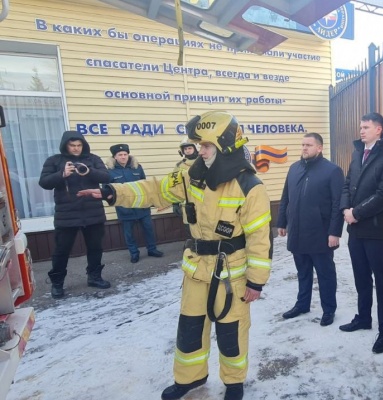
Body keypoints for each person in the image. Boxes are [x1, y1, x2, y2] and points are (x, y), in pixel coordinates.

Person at [79, 111, 271, 400]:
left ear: (224, 146)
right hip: (196, 269)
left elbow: (259, 239)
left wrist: (256, 281)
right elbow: (155, 190)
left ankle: (234, 383)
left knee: (231, 332)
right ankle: (190, 379)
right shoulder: (191, 175)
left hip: (231, 274)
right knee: (190, 329)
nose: (200, 151)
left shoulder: (250, 186)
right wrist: (112, 193)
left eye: (206, 146)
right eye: (199, 145)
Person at [339, 112, 383, 354]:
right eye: (361, 127)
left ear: (379, 129)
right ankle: (363, 317)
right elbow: (348, 183)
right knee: (361, 277)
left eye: (366, 127)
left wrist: (357, 212)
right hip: (356, 228)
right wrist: (346, 209)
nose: (361, 131)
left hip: (377, 229)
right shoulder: (358, 152)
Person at [277, 132, 344, 327]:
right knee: (303, 272)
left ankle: (329, 309)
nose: (304, 148)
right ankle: (302, 304)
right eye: (303, 145)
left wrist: (334, 232)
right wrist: (282, 222)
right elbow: (285, 197)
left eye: (309, 145)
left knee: (325, 274)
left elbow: (337, 204)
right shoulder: (294, 168)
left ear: (319, 148)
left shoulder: (332, 171)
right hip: (297, 231)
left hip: (320, 233)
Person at [38, 130, 111, 299]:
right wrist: (62, 174)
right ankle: (57, 283)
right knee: (61, 251)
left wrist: (89, 171)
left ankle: (94, 277)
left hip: (93, 212)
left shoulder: (93, 159)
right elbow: (44, 182)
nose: (76, 148)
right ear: (66, 145)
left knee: (95, 248)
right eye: (72, 145)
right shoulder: (54, 161)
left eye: (79, 145)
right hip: (66, 214)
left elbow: (107, 177)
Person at [106, 144, 164, 263]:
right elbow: (107, 191)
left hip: (142, 206)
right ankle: (134, 253)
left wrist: (150, 200)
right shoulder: (109, 172)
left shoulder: (137, 167)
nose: (123, 157)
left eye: (125, 154)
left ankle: (152, 249)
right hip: (124, 208)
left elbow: (145, 185)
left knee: (149, 229)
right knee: (129, 234)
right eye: (120, 155)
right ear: (115, 157)